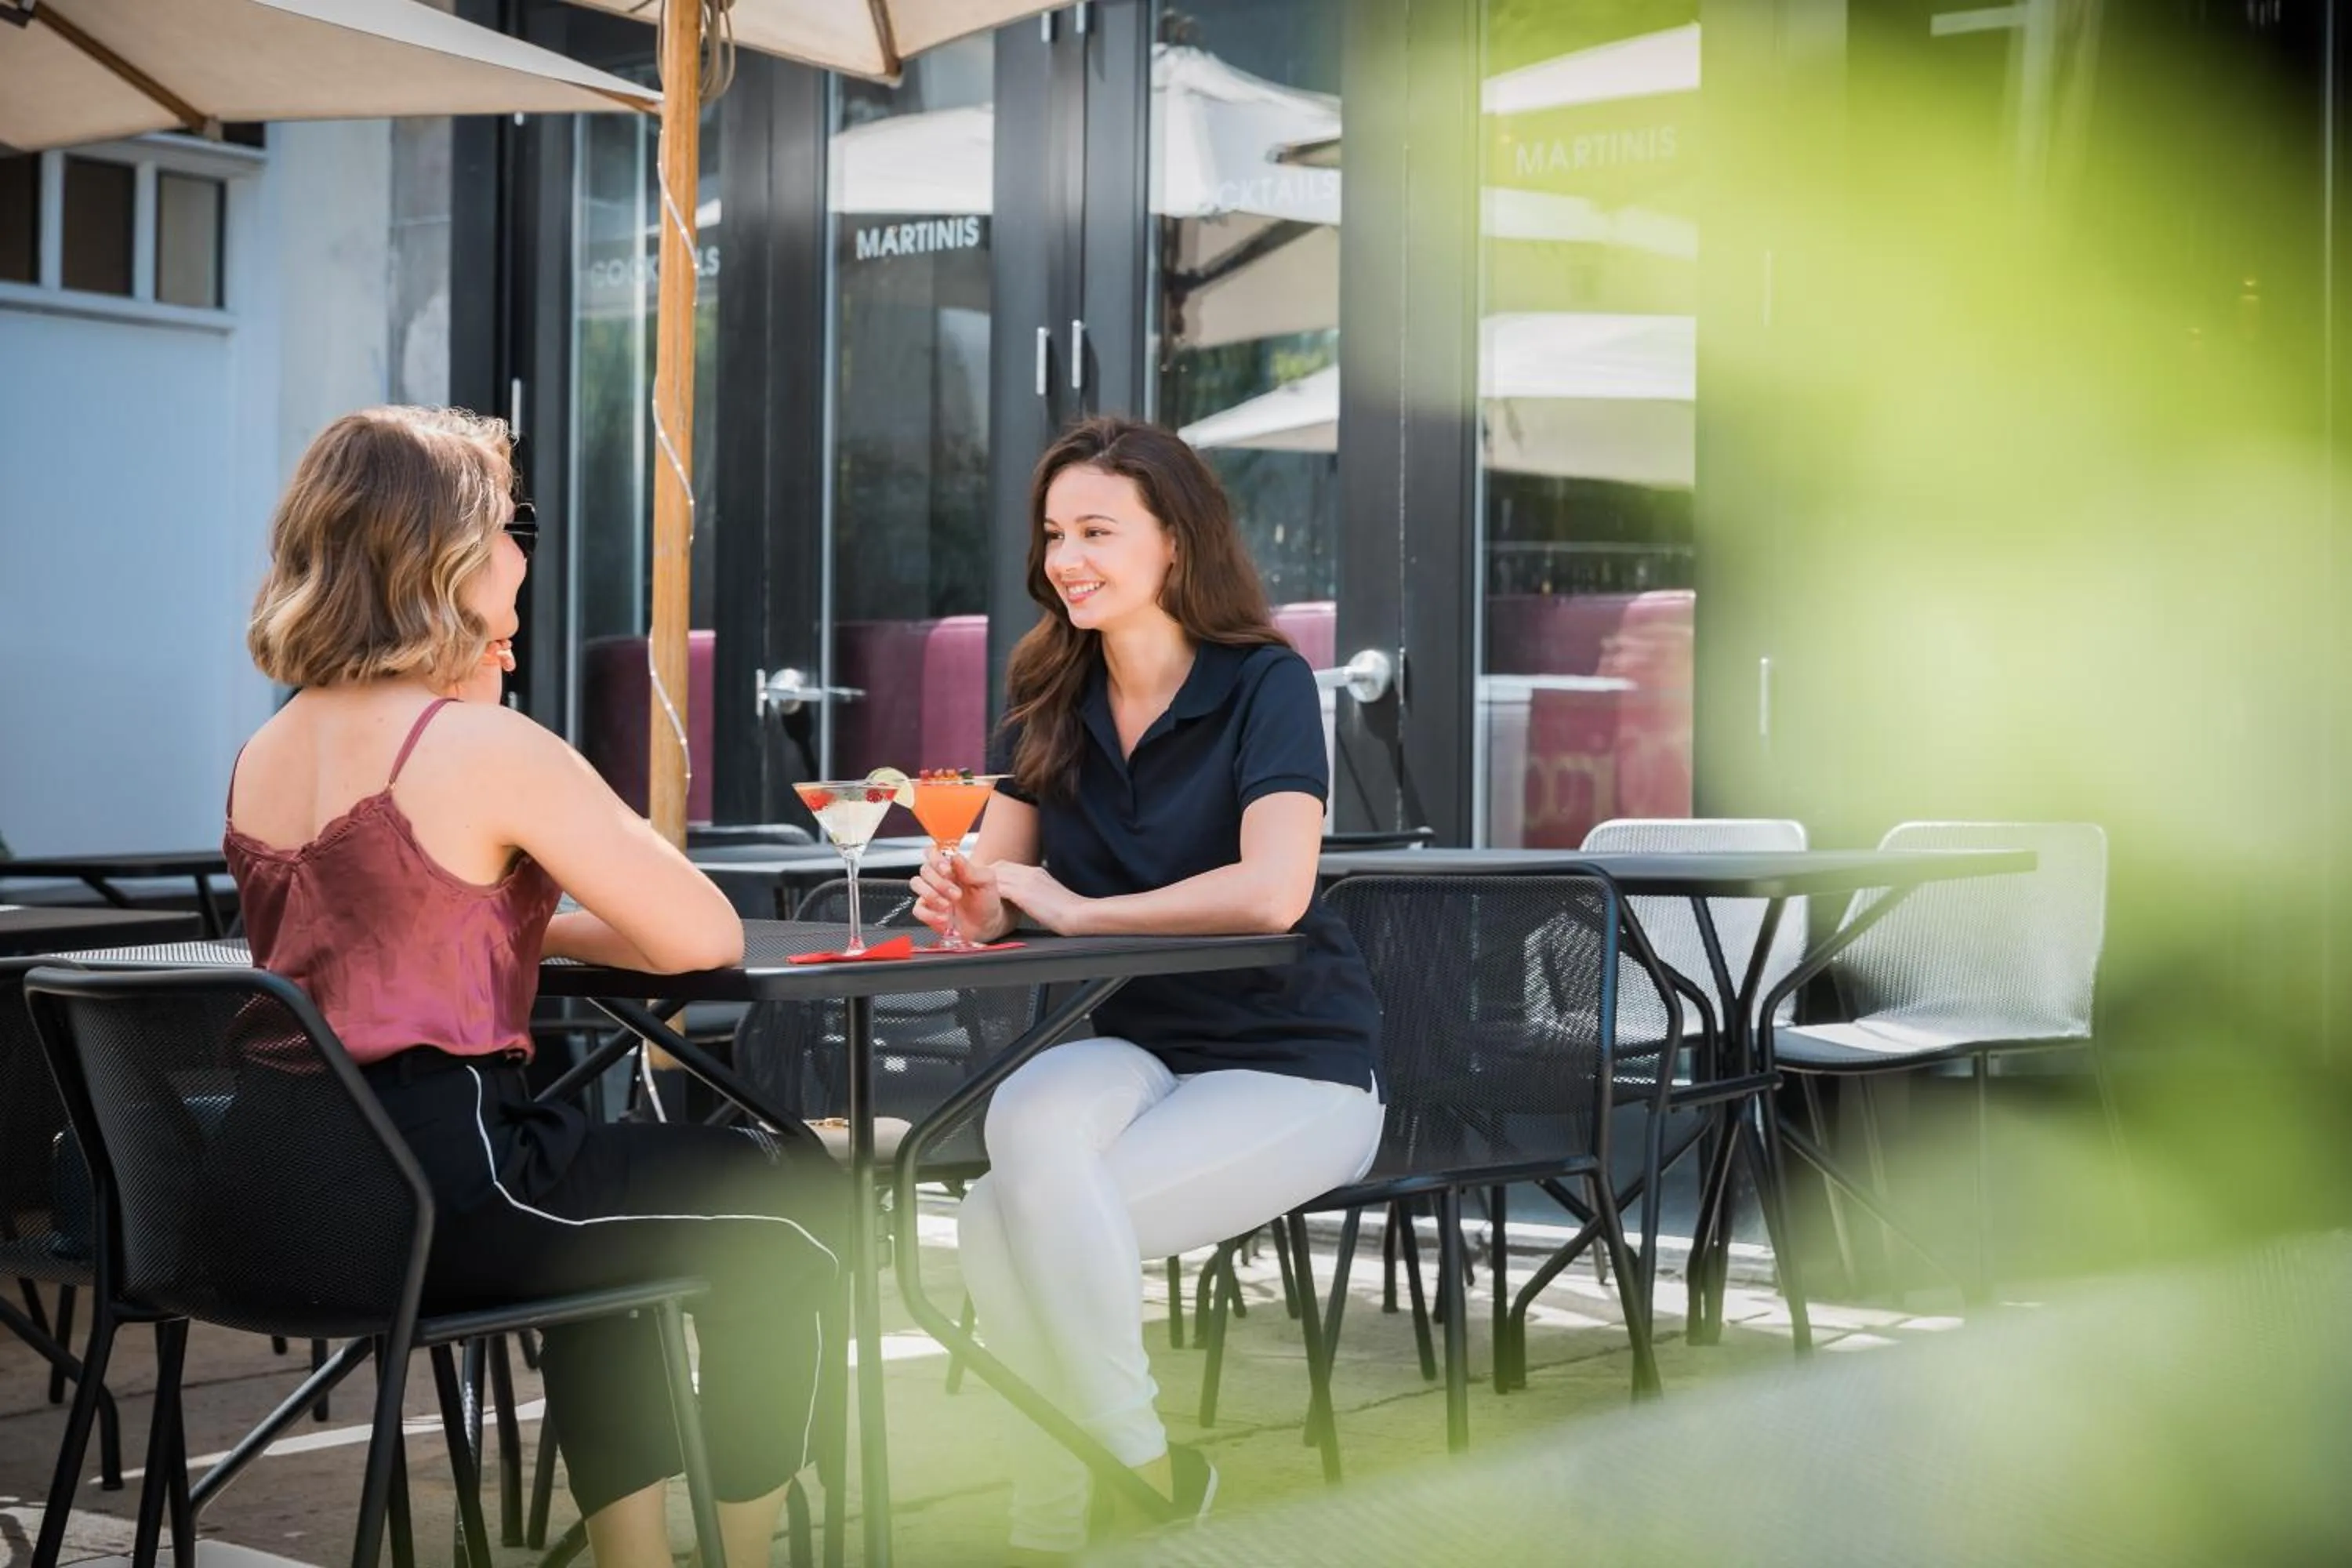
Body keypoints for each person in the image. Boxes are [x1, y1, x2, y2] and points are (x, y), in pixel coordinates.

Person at [224, 406, 843, 1568]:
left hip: (277, 1202)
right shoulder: (476, 744)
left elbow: (381, 928)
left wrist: (522, 931)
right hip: (445, 1192)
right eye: (518, 525)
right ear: (450, 553)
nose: (526, 553)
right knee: (787, 1194)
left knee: (622, 1227)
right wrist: (552, 919)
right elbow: (699, 935)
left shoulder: (267, 750)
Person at [910, 416, 1386, 1561]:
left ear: (1174, 541)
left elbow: (1275, 891)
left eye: (1097, 531)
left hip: (1294, 1058)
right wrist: (978, 904)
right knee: (1021, 1132)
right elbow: (1002, 882)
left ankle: (1060, 1517)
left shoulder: (1266, 682)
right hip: (1135, 1046)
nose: (1066, 558)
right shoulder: (1046, 689)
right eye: (1055, 533)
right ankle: (1142, 1474)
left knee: (999, 1222)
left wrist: (1078, 908)